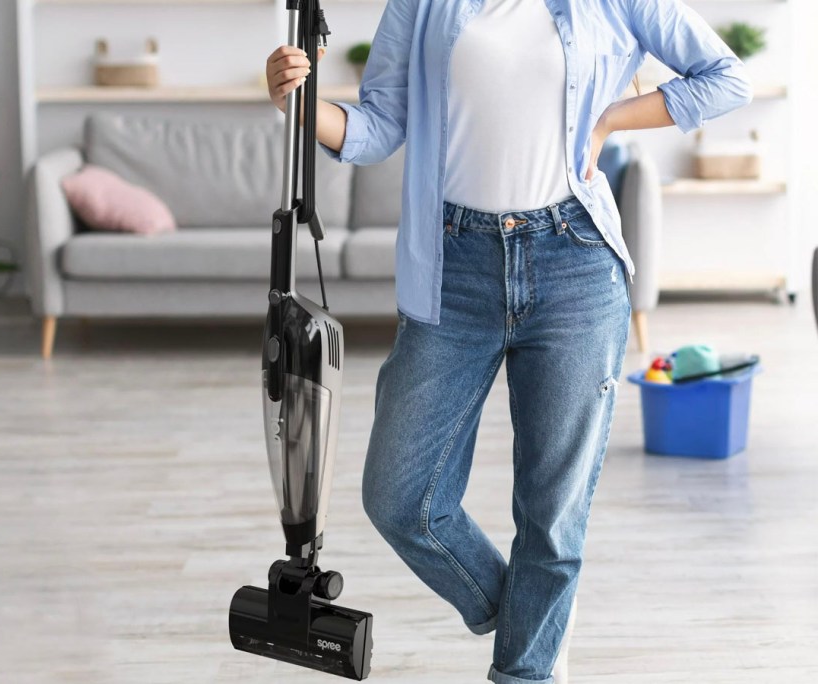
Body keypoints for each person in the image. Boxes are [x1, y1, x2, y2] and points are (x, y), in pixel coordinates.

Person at [265, 1, 752, 681]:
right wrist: (301, 99)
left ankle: (526, 666)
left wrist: (612, 117)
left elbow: (725, 77)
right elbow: (377, 127)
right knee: (399, 495)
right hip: (454, 269)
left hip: (575, 263)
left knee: (552, 514)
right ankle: (532, 612)